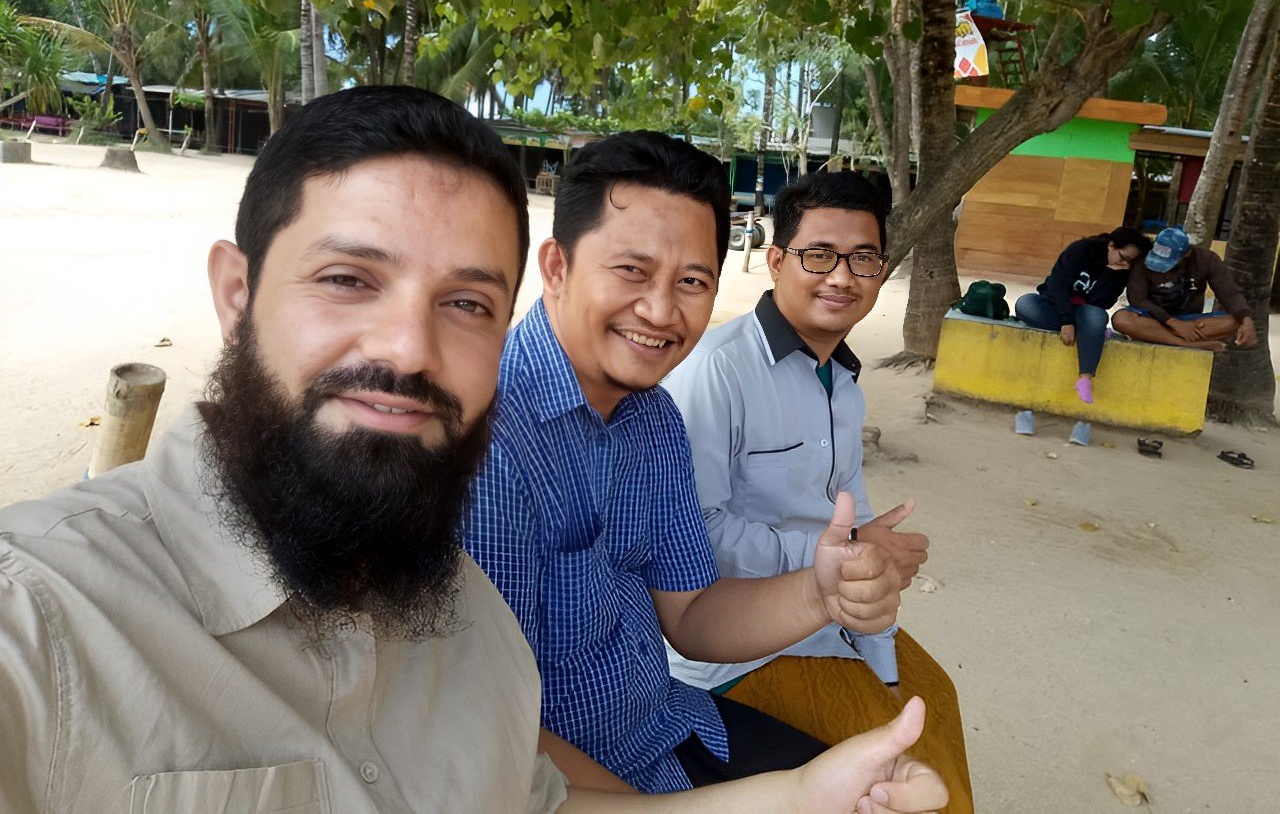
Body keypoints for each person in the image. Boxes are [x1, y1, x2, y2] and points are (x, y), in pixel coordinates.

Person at [0, 88, 947, 814]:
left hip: (658, 733)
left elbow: (684, 620)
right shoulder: (45, 616)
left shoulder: (628, 439)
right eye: (347, 278)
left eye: (463, 304)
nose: (409, 350)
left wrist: (821, 596)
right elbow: (515, 746)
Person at [464, 132, 906, 793]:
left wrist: (823, 591)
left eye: (692, 281)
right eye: (631, 270)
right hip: (555, 780)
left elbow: (692, 613)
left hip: (667, 723)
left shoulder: (655, 420)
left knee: (892, 790)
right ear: (556, 266)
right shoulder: (483, 439)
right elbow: (486, 724)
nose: (661, 311)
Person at [662, 171, 929, 693]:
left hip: (830, 625)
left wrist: (871, 568)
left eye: (863, 259)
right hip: (733, 656)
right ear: (777, 261)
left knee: (930, 709)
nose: (842, 278)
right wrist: (844, 553)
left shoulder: (843, 380)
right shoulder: (717, 371)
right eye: (820, 255)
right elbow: (694, 535)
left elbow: (852, 510)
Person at [1013, 226, 1151, 403]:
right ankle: (1090, 334)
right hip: (1056, 306)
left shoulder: (1121, 271)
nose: (1125, 264)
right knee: (1026, 304)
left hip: (1086, 312)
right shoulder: (1082, 249)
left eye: (1131, 262)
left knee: (1097, 316)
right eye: (1123, 257)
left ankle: (1085, 378)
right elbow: (1057, 286)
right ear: (1111, 245)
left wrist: (1111, 274)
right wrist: (1067, 321)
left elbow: (1102, 303)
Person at [1112, 226, 1258, 351]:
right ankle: (1187, 343)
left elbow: (1229, 292)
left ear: (1186, 254)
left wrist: (1246, 319)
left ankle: (1157, 336)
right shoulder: (1143, 260)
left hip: (1191, 322)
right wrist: (1175, 324)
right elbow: (1138, 300)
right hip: (1153, 319)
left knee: (1236, 322)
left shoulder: (1206, 259)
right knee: (1121, 319)